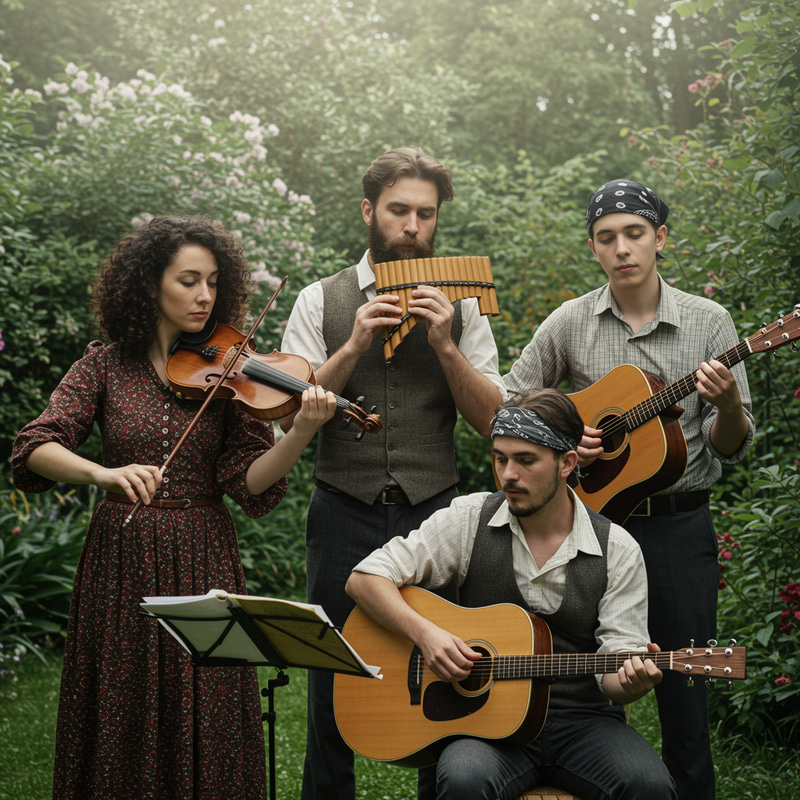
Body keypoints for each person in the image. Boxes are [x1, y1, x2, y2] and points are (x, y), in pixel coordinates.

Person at [11, 216, 337, 800]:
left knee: (205, 703)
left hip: (202, 551)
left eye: (212, 282)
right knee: (122, 697)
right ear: (148, 284)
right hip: (122, 555)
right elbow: (35, 447)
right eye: (188, 280)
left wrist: (300, 433)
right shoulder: (104, 366)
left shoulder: (232, 370)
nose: (204, 296)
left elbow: (250, 484)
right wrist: (103, 473)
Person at [504, 179, 755, 800]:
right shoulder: (571, 320)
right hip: (587, 531)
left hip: (676, 527)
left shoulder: (709, 321)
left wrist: (725, 405)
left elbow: (732, 445)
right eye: (607, 237)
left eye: (635, 233)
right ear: (594, 248)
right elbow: (511, 402)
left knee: (685, 704)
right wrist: (566, 437)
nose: (622, 248)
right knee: (577, 686)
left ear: (660, 239)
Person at [280, 145, 506, 799]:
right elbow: (289, 415)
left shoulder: (462, 304)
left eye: (425, 214)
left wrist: (445, 345)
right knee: (331, 691)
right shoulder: (319, 300)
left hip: (434, 511)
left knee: (445, 681)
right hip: (341, 508)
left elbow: (495, 423)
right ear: (369, 211)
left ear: (437, 222)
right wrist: (350, 344)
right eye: (399, 210)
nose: (412, 226)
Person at [346, 389, 677, 800]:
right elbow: (365, 577)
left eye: (525, 460)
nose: (507, 475)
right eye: (501, 458)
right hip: (485, 729)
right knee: (464, 778)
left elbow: (614, 677)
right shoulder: (470, 518)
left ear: (566, 463)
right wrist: (426, 636)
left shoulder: (618, 548)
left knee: (651, 786)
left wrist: (632, 682)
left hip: (582, 723)